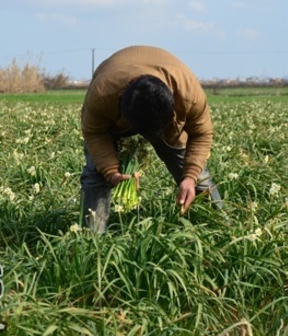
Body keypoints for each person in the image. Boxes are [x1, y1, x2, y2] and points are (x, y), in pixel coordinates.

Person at [80, 45, 222, 233]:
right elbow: (94, 133)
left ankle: (221, 228)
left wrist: (190, 177)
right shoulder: (102, 95)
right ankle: (91, 238)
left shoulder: (188, 95)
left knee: (197, 179)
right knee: (95, 175)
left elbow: (202, 134)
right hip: (115, 109)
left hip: (167, 119)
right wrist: (111, 172)